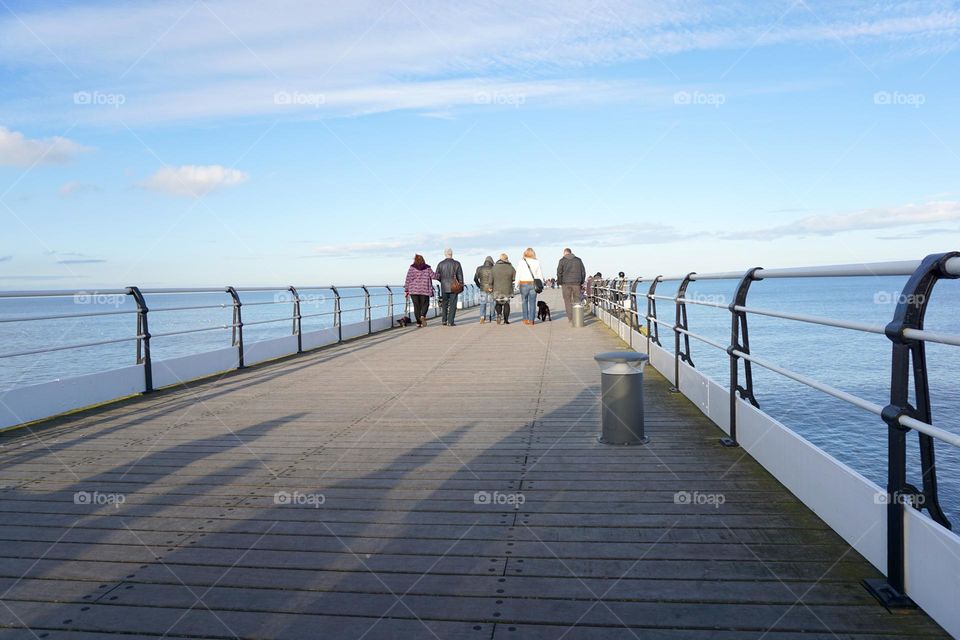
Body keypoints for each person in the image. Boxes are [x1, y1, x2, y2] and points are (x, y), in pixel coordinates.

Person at [434, 248, 464, 326]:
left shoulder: (440, 264)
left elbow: (436, 276)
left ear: (445, 254)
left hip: (444, 287)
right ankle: (450, 321)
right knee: (453, 304)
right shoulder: (457, 263)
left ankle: (444, 320)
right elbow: (460, 276)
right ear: (452, 254)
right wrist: (461, 285)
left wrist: (442, 281)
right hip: (454, 287)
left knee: (444, 304)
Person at [404, 254, 436, 327]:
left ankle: (418, 323)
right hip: (424, 289)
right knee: (425, 304)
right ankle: (422, 316)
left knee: (416, 306)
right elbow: (433, 276)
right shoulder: (427, 268)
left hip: (413, 290)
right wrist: (440, 275)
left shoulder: (412, 268)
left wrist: (406, 290)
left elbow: (408, 279)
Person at [557, 248, 586, 324]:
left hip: (565, 283)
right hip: (576, 283)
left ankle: (570, 318)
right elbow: (583, 272)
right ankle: (577, 317)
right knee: (577, 300)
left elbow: (559, 272)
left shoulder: (562, 260)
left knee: (567, 300)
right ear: (571, 252)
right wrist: (581, 281)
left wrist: (560, 282)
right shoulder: (578, 260)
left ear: (564, 253)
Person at [516, 247, 544, 325]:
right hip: (533, 284)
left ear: (525, 253)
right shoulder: (536, 262)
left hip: (523, 283)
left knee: (524, 302)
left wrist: (516, 284)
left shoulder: (521, 262)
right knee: (532, 302)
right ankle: (532, 320)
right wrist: (542, 284)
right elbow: (540, 275)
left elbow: (518, 273)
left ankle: (525, 319)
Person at [491, 253, 516, 325]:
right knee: (506, 304)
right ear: (506, 259)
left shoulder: (494, 267)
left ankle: (499, 314)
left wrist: (490, 286)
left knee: (498, 303)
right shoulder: (510, 267)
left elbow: (491, 278)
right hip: (507, 289)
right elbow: (514, 277)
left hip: (497, 289)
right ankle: (506, 320)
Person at [474, 256, 496, 324]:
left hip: (482, 288)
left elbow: (475, 279)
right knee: (492, 303)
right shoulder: (494, 268)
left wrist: (479, 285)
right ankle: (492, 317)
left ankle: (482, 317)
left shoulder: (479, 268)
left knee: (483, 303)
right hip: (492, 288)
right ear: (491, 261)